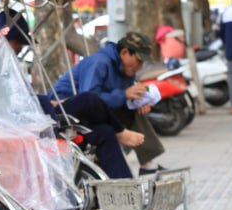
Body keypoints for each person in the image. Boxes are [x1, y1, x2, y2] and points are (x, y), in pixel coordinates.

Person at [0, 10, 144, 180]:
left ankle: (124, 189)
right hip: (32, 119)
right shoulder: (100, 62)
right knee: (89, 99)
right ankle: (121, 132)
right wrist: (46, 103)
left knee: (105, 131)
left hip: (43, 111)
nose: (20, 48)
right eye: (17, 42)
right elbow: (10, 102)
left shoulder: (10, 62)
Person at [50, 31, 163, 174]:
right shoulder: (100, 62)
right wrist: (124, 94)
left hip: (97, 113)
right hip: (67, 110)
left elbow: (120, 96)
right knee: (105, 124)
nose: (140, 67)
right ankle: (124, 137)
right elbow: (89, 99)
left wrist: (140, 100)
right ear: (124, 52)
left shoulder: (127, 70)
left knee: (112, 128)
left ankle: (143, 168)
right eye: (139, 61)